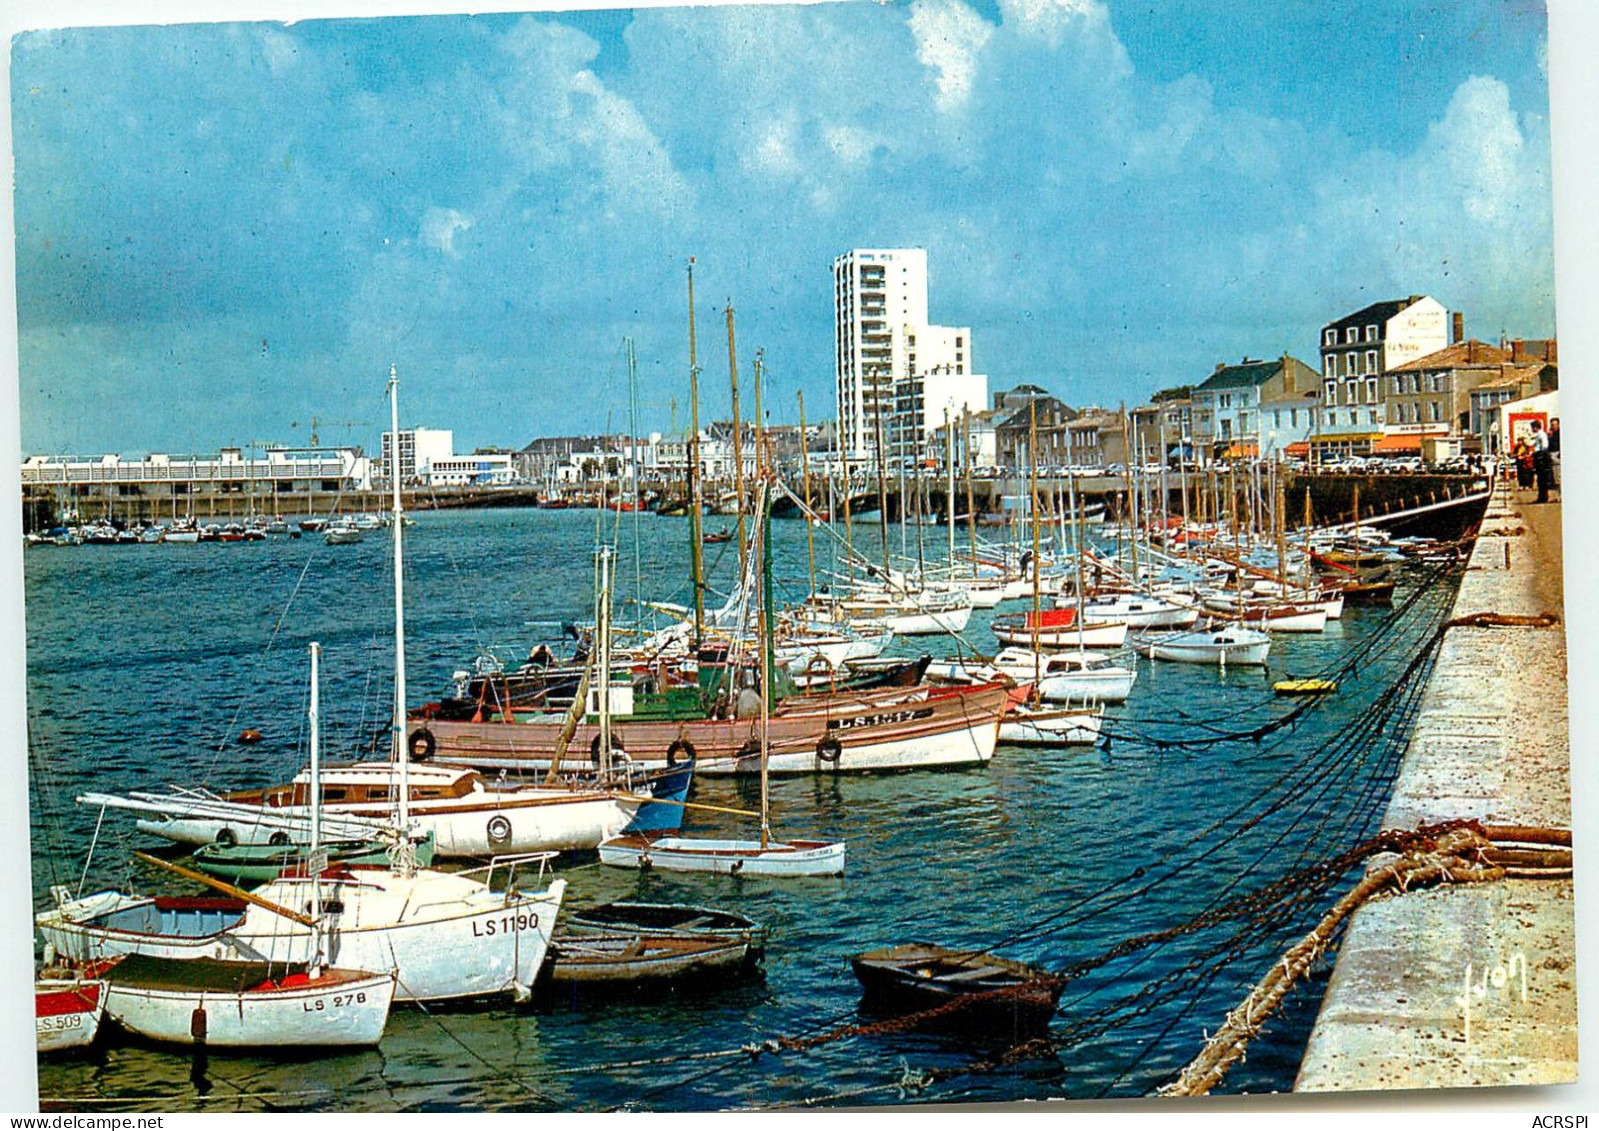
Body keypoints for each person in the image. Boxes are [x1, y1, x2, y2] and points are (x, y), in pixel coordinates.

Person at [1528, 419, 1554, 504]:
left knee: (1542, 478)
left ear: (1535, 427)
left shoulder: (1541, 435)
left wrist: (1540, 454)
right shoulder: (1538, 435)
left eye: (1532, 427)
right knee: (1540, 479)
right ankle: (1541, 497)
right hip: (1539, 456)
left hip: (1541, 457)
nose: (1532, 429)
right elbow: (1533, 444)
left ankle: (1543, 497)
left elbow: (1544, 446)